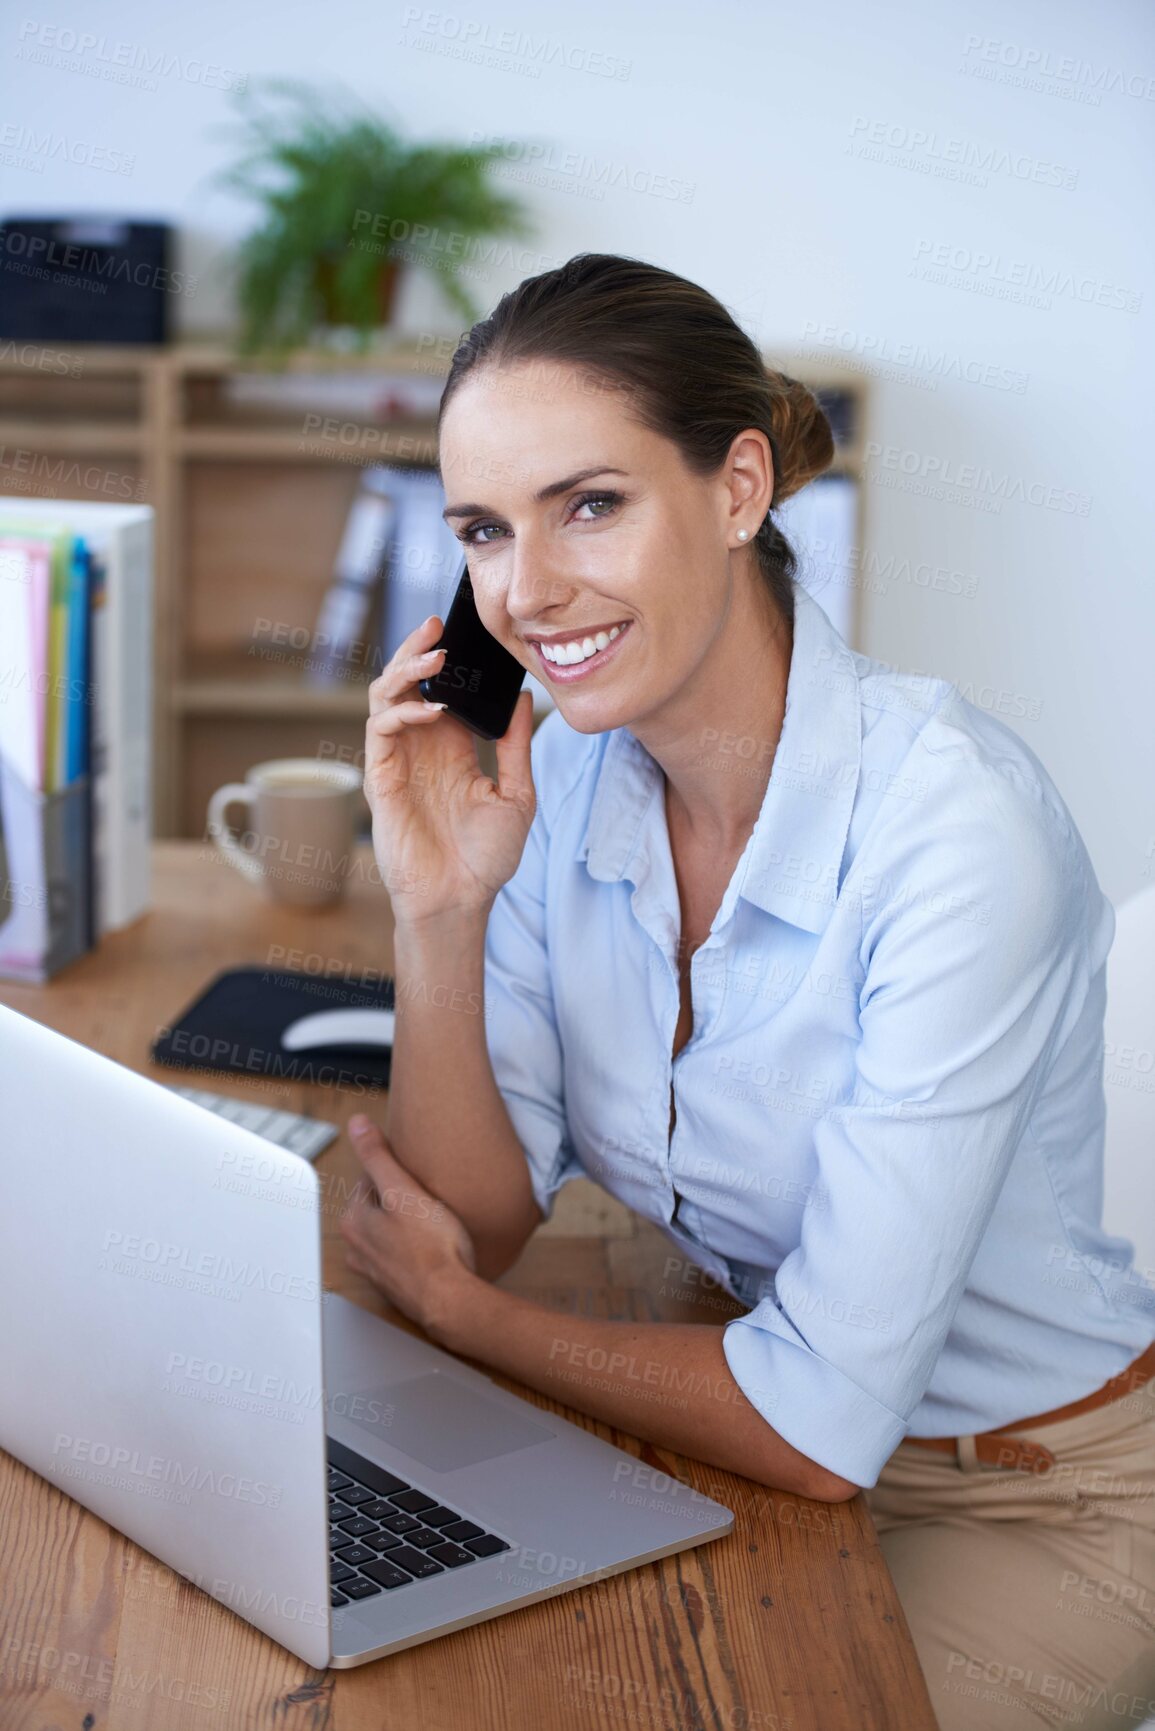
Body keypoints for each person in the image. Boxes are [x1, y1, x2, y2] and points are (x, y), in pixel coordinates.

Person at [338, 253, 1155, 1730]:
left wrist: (469, 1320)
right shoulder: (565, 773)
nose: (525, 592)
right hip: (735, 1435)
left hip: (1028, 1497)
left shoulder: (951, 833)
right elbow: (477, 1219)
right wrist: (440, 913)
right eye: (483, 530)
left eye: (591, 505)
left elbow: (819, 1421)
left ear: (736, 490)